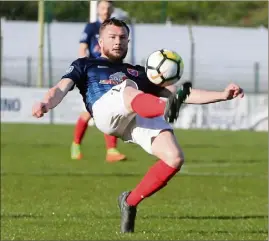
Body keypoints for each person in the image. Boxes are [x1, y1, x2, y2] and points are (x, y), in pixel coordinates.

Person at [32, 18, 244, 233]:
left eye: (123, 38)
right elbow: (60, 88)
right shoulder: (85, 65)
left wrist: (222, 95)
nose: (118, 42)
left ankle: (130, 201)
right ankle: (163, 107)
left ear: (128, 41)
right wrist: (46, 103)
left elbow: (180, 93)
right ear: (100, 41)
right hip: (105, 110)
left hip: (134, 115)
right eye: (112, 37)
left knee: (174, 157)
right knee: (129, 89)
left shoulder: (139, 72)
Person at [72, 0, 126, 162]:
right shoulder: (91, 28)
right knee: (89, 112)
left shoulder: (117, 27)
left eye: (108, 8)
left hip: (113, 72)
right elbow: (82, 48)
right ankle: (76, 144)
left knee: (113, 109)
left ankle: (111, 150)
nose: (105, 10)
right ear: (98, 10)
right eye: (102, 7)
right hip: (94, 74)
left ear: (112, 9)